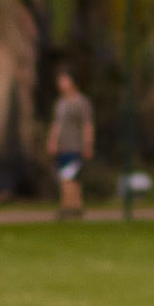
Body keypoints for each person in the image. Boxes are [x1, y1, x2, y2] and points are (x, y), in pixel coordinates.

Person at [48, 71, 94, 217]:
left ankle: (71, 207)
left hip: (75, 146)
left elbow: (87, 124)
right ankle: (71, 207)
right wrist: (52, 141)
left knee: (71, 177)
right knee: (65, 177)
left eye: (64, 81)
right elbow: (56, 124)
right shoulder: (60, 103)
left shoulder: (82, 102)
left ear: (72, 82)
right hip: (62, 146)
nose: (61, 84)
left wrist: (88, 144)